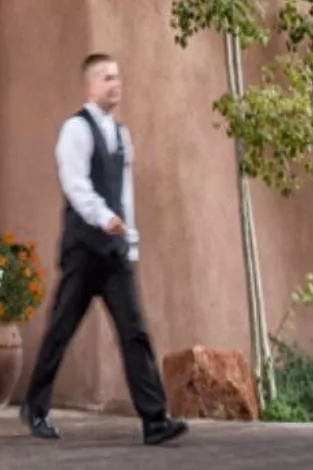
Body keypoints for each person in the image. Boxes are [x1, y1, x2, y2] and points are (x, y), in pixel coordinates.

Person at [20, 52, 187, 446]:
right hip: (83, 250)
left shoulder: (122, 136)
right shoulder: (75, 130)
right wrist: (101, 216)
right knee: (61, 330)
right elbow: (75, 183)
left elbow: (124, 193)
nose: (116, 85)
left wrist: (129, 240)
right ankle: (35, 407)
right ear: (90, 84)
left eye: (118, 77)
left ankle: (154, 420)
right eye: (107, 78)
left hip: (114, 253)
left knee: (134, 331)